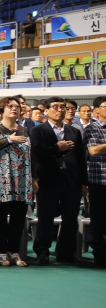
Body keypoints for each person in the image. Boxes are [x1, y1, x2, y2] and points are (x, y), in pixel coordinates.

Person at [30, 97, 87, 265]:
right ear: (46, 110)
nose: (60, 110)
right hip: (48, 178)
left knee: (70, 218)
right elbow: (37, 155)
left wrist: (84, 182)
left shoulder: (74, 131)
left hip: (71, 179)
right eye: (55, 107)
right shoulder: (38, 130)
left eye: (63, 107)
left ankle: (66, 252)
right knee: (45, 217)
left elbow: (80, 158)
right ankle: (42, 251)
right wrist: (57, 148)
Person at [0, 96, 33, 267]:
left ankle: (14, 250)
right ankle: (2, 251)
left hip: (22, 178)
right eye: (10, 106)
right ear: (1, 110)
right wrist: (9, 139)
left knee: (19, 217)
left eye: (17, 106)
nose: (14, 109)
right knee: (1, 216)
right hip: (1, 179)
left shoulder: (25, 130)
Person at [82, 96, 106, 268]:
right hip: (99, 181)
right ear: (97, 110)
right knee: (99, 219)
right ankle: (99, 251)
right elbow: (94, 150)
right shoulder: (93, 128)